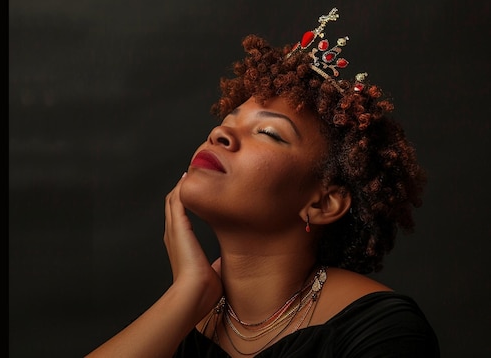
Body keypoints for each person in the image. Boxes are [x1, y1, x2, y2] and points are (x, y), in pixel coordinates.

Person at [87, 8, 439, 357]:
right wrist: (188, 293)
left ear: (323, 203)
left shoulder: (384, 333)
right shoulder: (181, 321)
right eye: (228, 120)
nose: (220, 133)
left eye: (268, 132)